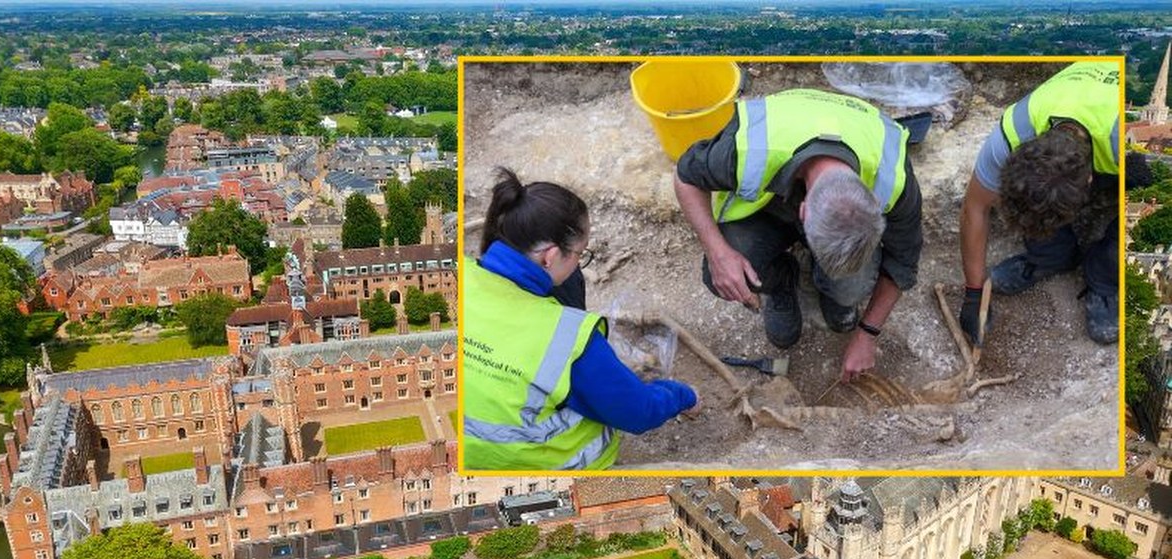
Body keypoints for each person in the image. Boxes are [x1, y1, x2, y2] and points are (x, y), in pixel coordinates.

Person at [674, 88, 923, 381]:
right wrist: (718, 253)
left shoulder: (892, 178)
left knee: (850, 287)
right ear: (802, 212)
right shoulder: (748, 149)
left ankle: (833, 290)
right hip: (766, 210)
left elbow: (903, 260)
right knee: (721, 276)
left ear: (874, 202)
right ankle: (782, 280)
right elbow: (685, 177)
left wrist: (868, 333)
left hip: (848, 138)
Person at [463, 168, 698, 471]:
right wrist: (683, 395)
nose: (579, 263)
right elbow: (640, 412)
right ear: (549, 256)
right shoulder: (566, 340)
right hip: (532, 468)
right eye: (579, 254)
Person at [959, 60, 1120, 346]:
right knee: (1036, 202)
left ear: (1089, 181)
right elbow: (975, 207)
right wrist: (973, 293)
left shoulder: (1126, 137)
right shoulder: (1013, 131)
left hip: (1131, 152)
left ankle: (1104, 279)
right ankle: (1052, 257)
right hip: (1093, 131)